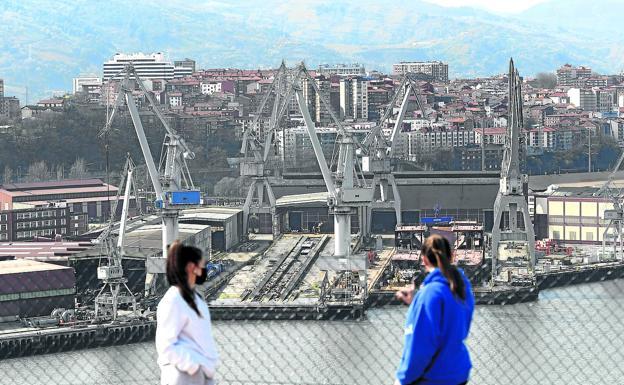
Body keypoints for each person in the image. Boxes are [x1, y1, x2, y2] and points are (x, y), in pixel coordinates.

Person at [394, 234, 475, 385]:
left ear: (424, 260)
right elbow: (451, 321)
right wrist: (416, 301)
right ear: (451, 256)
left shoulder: (430, 293)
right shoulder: (462, 287)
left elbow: (419, 346)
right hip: (458, 372)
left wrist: (401, 379)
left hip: (434, 377)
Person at [156, 240, 219, 385]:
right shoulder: (173, 301)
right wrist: (193, 366)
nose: (204, 269)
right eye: (202, 265)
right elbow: (166, 345)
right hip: (184, 376)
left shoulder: (195, 297)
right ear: (192, 267)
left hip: (200, 374)